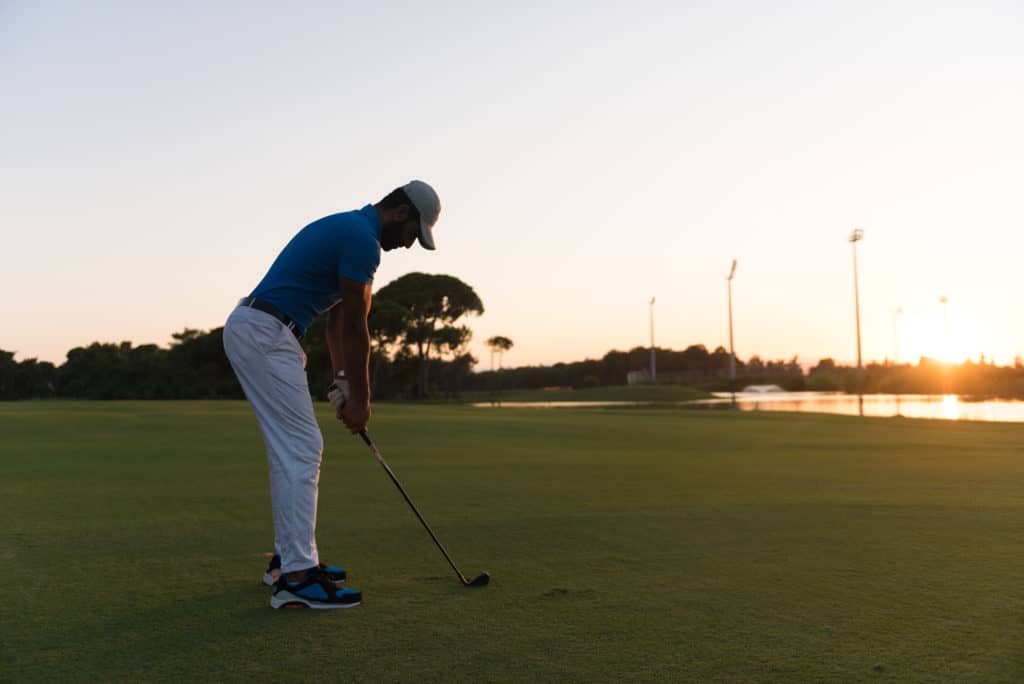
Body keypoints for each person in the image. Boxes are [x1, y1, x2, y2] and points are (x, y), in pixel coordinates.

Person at [222, 180, 441, 609]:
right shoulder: (364, 241)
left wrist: (343, 379)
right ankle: (298, 579)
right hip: (266, 333)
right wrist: (361, 399)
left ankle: (287, 563)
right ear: (401, 214)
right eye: (413, 235)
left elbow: (337, 324)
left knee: (292, 451)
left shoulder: (349, 229)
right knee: (302, 449)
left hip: (262, 330)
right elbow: (358, 326)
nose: (410, 245)